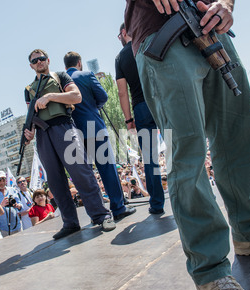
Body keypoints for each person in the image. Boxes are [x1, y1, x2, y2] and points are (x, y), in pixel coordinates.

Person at [125, 0, 250, 290]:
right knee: (187, 152)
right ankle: (211, 273)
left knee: (239, 133)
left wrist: (225, 3)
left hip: (211, 27)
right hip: (159, 31)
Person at [23, 49, 115, 239]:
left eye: (41, 58)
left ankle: (101, 215)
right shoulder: (28, 89)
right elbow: (30, 115)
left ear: (48, 60)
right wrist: (29, 132)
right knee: (55, 182)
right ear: (31, 65)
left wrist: (50, 97)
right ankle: (70, 222)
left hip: (64, 127)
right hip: (43, 135)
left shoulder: (60, 76)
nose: (39, 62)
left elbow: (76, 97)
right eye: (35, 61)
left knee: (81, 173)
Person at [63, 51, 136, 220]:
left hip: (73, 132)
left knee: (85, 174)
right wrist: (93, 107)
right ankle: (118, 208)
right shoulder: (87, 74)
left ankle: (97, 214)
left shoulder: (61, 81)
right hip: (93, 126)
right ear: (79, 63)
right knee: (107, 169)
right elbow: (103, 96)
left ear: (65, 66)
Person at [115, 23, 165, 215]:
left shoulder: (120, 57)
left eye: (118, 36)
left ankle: (157, 203)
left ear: (123, 33)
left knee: (150, 159)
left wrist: (129, 120)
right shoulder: (146, 44)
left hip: (141, 107)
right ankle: (191, 195)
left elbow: (122, 92)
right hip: (162, 99)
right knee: (179, 146)